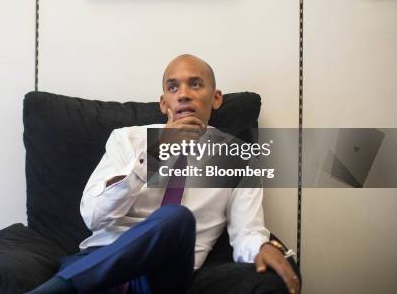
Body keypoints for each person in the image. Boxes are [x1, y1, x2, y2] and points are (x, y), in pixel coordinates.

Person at [27, 55, 300, 294]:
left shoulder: (239, 158)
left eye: (195, 84)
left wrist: (261, 247)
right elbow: (93, 217)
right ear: (163, 102)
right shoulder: (127, 140)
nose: (183, 94)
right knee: (171, 218)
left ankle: (60, 288)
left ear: (216, 98)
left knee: (177, 219)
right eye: (173, 87)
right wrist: (157, 153)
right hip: (101, 258)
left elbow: (246, 233)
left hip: (164, 276)